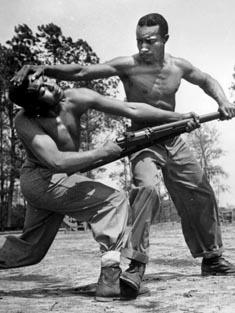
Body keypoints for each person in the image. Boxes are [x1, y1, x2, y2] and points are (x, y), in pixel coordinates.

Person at [12, 12, 235, 289]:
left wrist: (223, 101)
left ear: (165, 39)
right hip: (142, 139)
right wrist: (43, 69)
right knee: (146, 189)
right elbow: (83, 72)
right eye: (139, 42)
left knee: (200, 190)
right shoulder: (128, 65)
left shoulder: (178, 66)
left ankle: (212, 259)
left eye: (150, 41)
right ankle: (135, 265)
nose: (143, 48)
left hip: (174, 137)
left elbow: (207, 80)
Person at [1, 74, 198, 301]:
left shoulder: (75, 97)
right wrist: (103, 151)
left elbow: (131, 109)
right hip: (42, 180)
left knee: (30, 251)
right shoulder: (25, 120)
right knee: (113, 201)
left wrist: (179, 118)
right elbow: (56, 161)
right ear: (32, 104)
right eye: (41, 90)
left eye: (46, 80)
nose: (50, 86)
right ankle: (110, 281)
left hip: (58, 179)